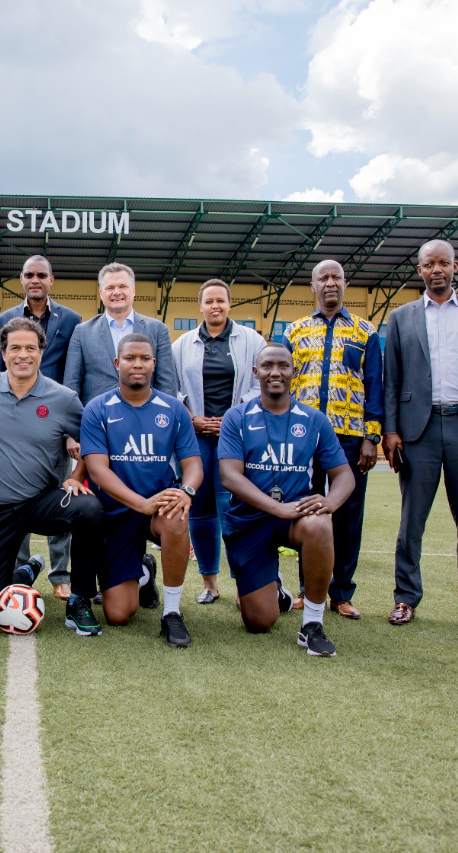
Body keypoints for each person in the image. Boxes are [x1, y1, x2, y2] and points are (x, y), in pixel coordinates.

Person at [0, 317, 107, 635]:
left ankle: (79, 598)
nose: (22, 355)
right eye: (15, 348)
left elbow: (92, 440)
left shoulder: (63, 398)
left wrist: (78, 475)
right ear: (3, 353)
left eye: (30, 348)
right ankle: (26, 572)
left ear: (41, 352)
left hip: (40, 501)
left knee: (90, 509)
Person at [382, 239, 458, 633]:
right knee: (411, 522)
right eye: (429, 264)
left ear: (455, 266)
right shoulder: (401, 317)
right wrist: (391, 430)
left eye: (444, 263)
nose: (437, 270)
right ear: (419, 270)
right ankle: (405, 598)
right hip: (418, 430)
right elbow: (391, 379)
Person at [218, 343, 354, 656]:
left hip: (296, 517)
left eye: (283, 366)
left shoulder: (314, 420)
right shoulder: (237, 417)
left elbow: (344, 475)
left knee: (319, 524)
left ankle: (312, 624)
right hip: (250, 520)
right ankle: (275, 591)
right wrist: (277, 508)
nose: (275, 372)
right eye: (267, 366)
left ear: (294, 371)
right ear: (256, 372)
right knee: (259, 622)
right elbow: (229, 476)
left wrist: (330, 503)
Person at [80, 334, 203, 646]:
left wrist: (186, 491)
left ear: (154, 364)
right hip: (116, 512)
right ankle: (144, 572)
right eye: (130, 358)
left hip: (159, 506)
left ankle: (171, 613)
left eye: (144, 358)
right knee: (118, 615)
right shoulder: (98, 408)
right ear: (116, 363)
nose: (138, 364)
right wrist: (140, 503)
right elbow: (97, 470)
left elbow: (193, 464)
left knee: (176, 515)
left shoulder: (173, 409)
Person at [283, 260, 383, 619]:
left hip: (350, 435)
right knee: (306, 510)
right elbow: (284, 385)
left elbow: (375, 386)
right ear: (313, 286)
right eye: (322, 278)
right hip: (304, 436)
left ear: (344, 283)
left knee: (348, 515)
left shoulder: (365, 331)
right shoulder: (295, 331)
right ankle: (307, 589)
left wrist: (372, 436)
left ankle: (341, 593)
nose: (330, 283)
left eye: (335, 277)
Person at [0, 255, 83, 600]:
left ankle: (61, 574)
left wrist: (69, 431)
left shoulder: (71, 320)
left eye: (42, 274)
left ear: (51, 279)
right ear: (22, 279)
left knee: (61, 497)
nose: (35, 280)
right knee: (16, 497)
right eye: (29, 274)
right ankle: (20, 569)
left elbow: (73, 373)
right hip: (15, 426)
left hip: (55, 425)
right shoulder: (5, 319)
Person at [172, 278, 265, 604]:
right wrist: (192, 418)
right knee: (199, 509)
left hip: (236, 437)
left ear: (229, 304)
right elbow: (171, 387)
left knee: (233, 509)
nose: (215, 306)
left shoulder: (252, 340)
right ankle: (210, 583)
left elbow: (260, 385)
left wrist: (232, 418)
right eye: (209, 301)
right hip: (195, 437)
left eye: (221, 301)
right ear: (200, 305)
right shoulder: (182, 344)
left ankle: (243, 585)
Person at [64, 262, 178, 402]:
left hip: (144, 412)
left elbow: (167, 384)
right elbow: (71, 384)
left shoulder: (158, 330)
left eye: (123, 286)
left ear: (133, 291)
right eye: (110, 287)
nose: (117, 292)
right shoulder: (82, 332)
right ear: (101, 293)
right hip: (98, 414)